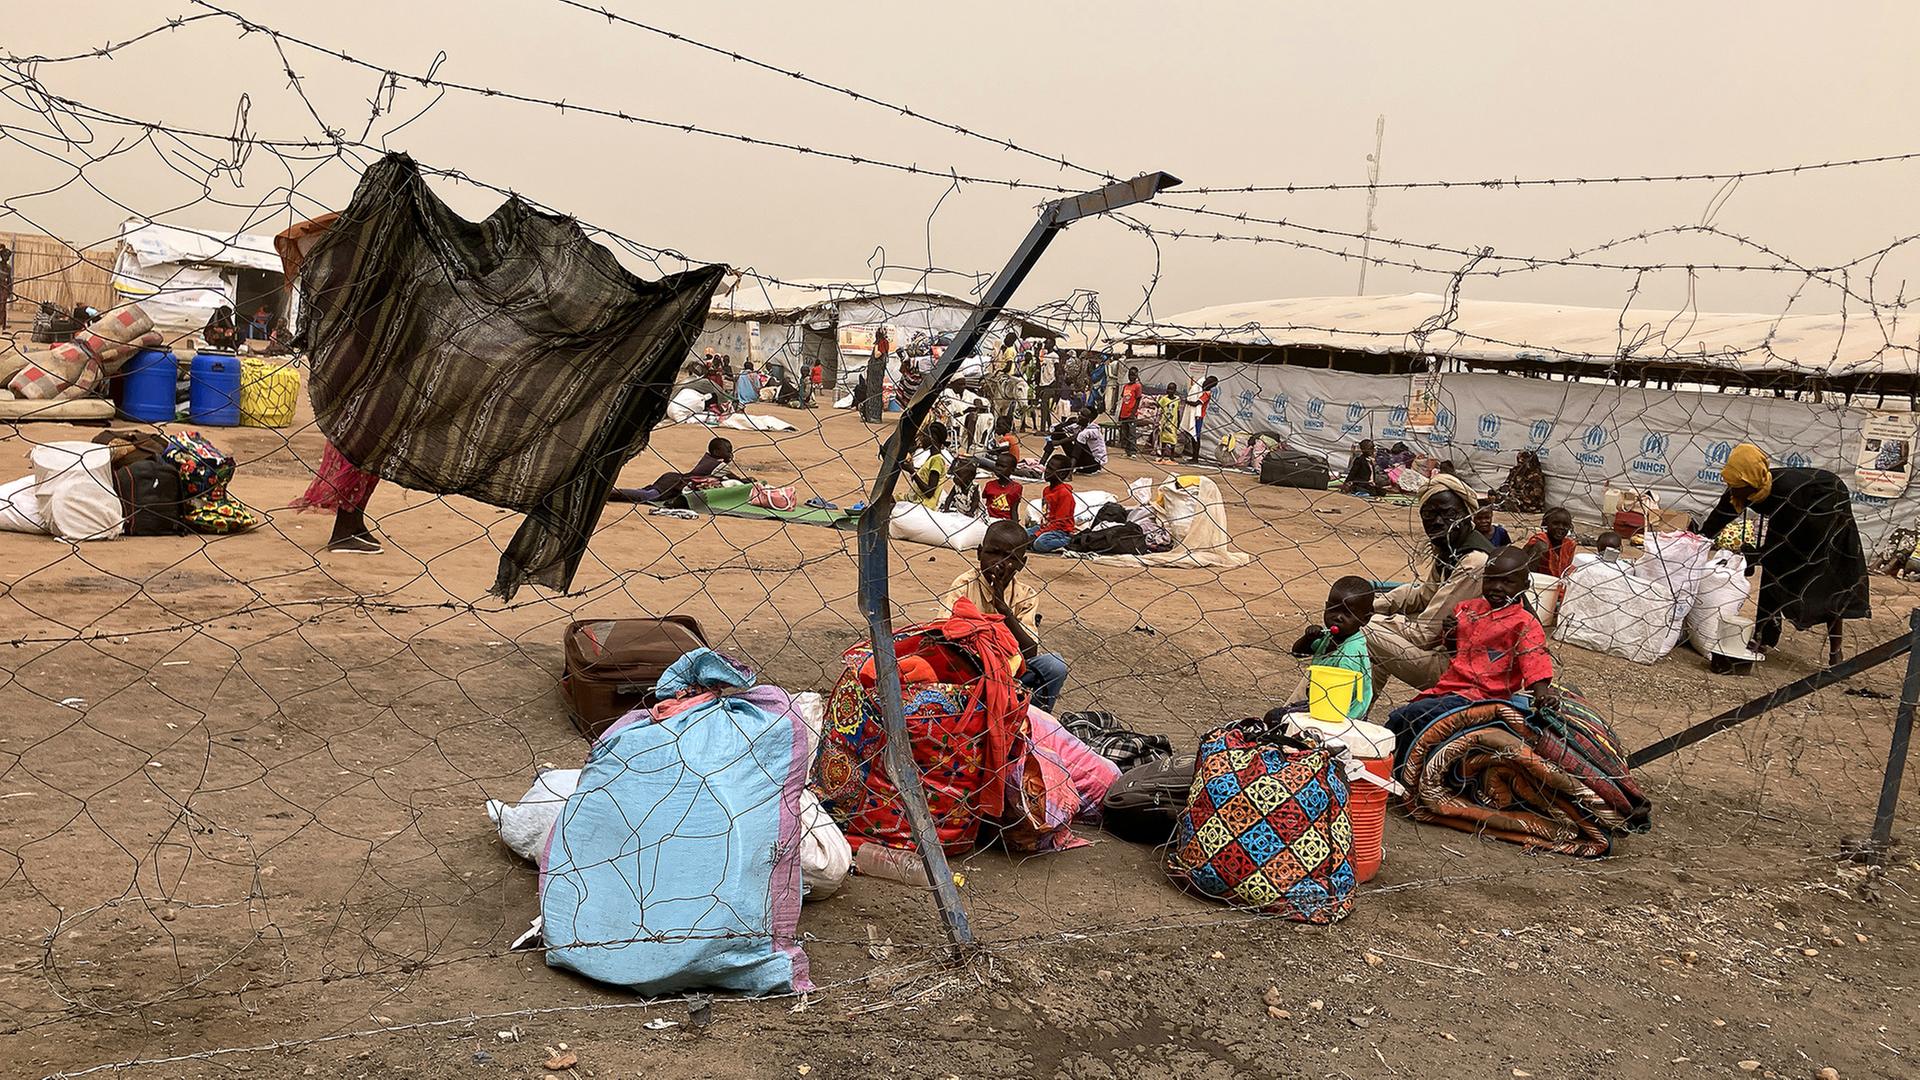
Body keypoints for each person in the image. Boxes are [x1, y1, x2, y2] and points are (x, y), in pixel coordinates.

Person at [1699, 443, 1871, 665]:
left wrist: (1754, 557)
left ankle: (1835, 652)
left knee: (1827, 581)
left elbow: (1789, 542)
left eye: (1737, 485)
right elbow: (1721, 514)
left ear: (1753, 479)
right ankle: (1763, 637)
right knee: (1773, 575)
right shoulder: (1741, 487)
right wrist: (1701, 538)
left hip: (1825, 508)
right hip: (1792, 520)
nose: (1733, 490)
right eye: (1731, 484)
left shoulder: (1789, 493)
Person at [1386, 545, 1559, 751]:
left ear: (1525, 585)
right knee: (1406, 716)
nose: (1497, 587)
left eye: (1507, 582)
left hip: (1484, 696)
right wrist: (1449, 633)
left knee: (1409, 717)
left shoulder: (1524, 623)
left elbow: (1534, 660)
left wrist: (1542, 695)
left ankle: (1395, 766)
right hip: (1449, 688)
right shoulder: (1468, 609)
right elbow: (1455, 649)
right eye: (1491, 579)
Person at [1368, 474, 1497, 690]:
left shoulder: (1474, 561)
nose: (1437, 521)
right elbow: (1424, 595)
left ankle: (1303, 710)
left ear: (1467, 514)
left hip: (1459, 669)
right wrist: (1371, 603)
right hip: (1446, 655)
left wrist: (1369, 617)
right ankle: (1350, 714)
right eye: (1428, 515)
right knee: (1368, 645)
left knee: (1359, 631)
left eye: (1448, 514)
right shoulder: (1449, 549)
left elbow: (1426, 634)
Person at [943, 520, 1070, 714]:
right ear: (979, 553)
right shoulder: (965, 585)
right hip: (970, 667)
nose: (999, 563)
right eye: (993, 553)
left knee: (1054, 665)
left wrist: (1003, 608)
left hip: (1012, 671)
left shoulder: (1026, 595)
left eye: (1010, 557)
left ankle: (1030, 719)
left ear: (1022, 564)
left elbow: (1030, 652)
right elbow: (943, 633)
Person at [1288, 576, 1377, 721]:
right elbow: (1298, 652)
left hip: (1344, 713)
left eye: (1347, 614)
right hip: (1323, 702)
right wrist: (1308, 638)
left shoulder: (1350, 654)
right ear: (1326, 606)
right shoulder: (1330, 636)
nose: (1338, 618)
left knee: (1277, 718)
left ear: (1365, 618)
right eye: (1333, 610)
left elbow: (1340, 699)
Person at [608, 436, 745, 505]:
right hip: (675, 483)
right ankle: (610, 493)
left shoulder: (708, 458)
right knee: (648, 496)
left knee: (645, 492)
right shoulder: (718, 465)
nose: (730, 453)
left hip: (673, 478)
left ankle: (614, 493)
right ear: (716, 452)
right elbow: (734, 478)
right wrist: (744, 480)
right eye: (728, 450)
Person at [1029, 455, 1077, 554]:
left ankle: (1070, 541)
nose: (1047, 471)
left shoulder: (1064, 494)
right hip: (1045, 527)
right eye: (1047, 467)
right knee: (1021, 535)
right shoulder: (1046, 490)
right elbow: (1046, 514)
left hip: (1060, 531)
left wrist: (1037, 535)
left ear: (1062, 474)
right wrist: (1039, 531)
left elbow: (1059, 523)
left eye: (1051, 469)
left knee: (1040, 544)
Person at [905, 421, 950, 510]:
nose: (921, 440)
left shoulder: (937, 460)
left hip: (924, 505)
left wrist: (912, 471)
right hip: (916, 499)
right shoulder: (931, 457)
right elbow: (922, 480)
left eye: (924, 436)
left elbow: (929, 492)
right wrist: (910, 467)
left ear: (933, 438)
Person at [1525, 507, 1577, 577]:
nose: (1561, 527)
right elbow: (1527, 570)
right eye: (1555, 523)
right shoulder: (1540, 543)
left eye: (1565, 525)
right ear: (1546, 524)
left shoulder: (1569, 545)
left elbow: (1566, 569)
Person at [1186, 375, 1218, 462]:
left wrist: (1187, 401)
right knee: (1193, 437)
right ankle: (1194, 457)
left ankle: (1195, 457)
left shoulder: (1207, 394)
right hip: (1197, 416)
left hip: (1199, 417)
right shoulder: (1201, 390)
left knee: (1196, 436)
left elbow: (1196, 403)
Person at [982, 453, 1023, 522]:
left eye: (1003, 466)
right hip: (989, 519)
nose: (998, 469)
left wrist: (1015, 524)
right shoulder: (989, 485)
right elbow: (984, 504)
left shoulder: (1017, 487)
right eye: (997, 465)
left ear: (1012, 470)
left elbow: (1014, 509)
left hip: (1006, 521)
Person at [1116, 367, 1144, 456]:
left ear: (1136, 375)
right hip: (1124, 413)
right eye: (1130, 375)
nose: (1131, 377)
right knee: (1125, 433)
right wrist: (1120, 413)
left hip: (1131, 414)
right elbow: (1123, 400)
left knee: (1132, 433)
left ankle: (1133, 451)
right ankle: (1127, 450)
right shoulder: (1126, 386)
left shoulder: (1137, 386)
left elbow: (1138, 400)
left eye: (1133, 375)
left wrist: (1133, 413)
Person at [1155, 382, 1183, 460]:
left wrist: (1178, 421)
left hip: (1173, 422)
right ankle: (1163, 455)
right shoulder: (1164, 399)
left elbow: (1177, 411)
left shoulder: (1177, 399)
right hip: (1165, 422)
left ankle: (1172, 456)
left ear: (1175, 390)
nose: (1169, 391)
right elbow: (1158, 405)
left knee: (1173, 439)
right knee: (1163, 439)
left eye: (1171, 389)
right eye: (1168, 389)